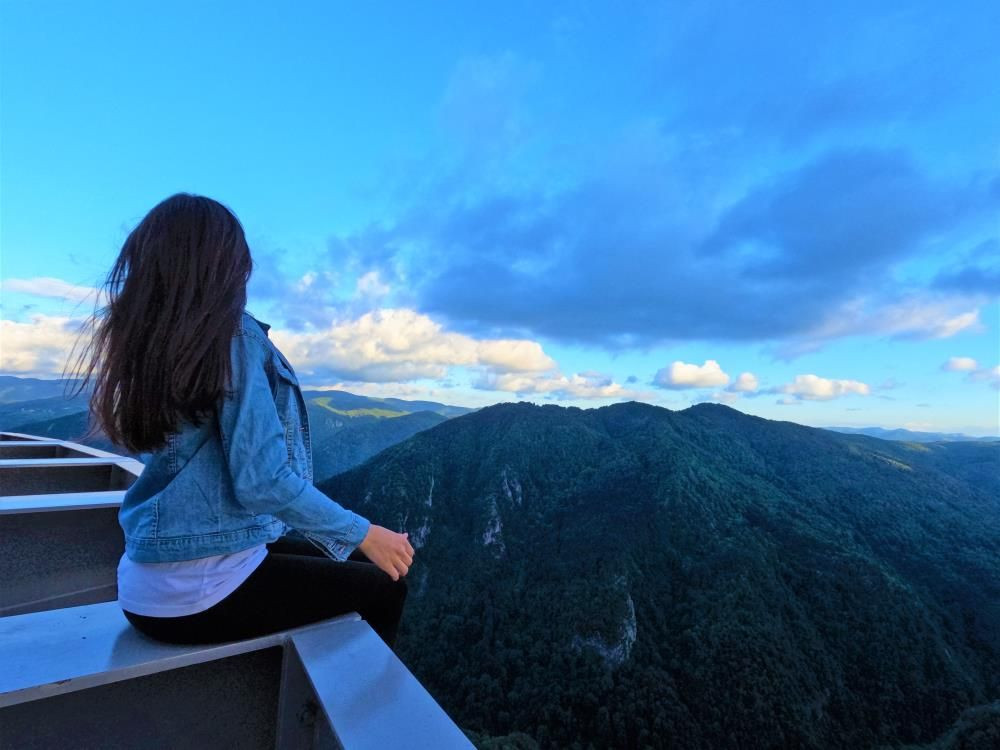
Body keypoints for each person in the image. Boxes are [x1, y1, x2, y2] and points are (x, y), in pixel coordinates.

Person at [69, 193, 413, 649]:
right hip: (201, 592)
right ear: (223, 265)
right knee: (386, 585)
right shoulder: (234, 336)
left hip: (144, 584)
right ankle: (348, 718)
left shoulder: (155, 339)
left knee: (359, 562)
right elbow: (263, 482)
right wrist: (365, 532)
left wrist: (356, 541)